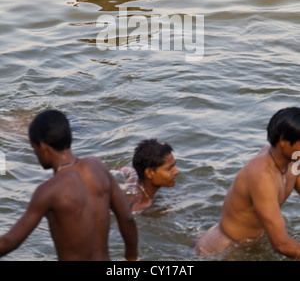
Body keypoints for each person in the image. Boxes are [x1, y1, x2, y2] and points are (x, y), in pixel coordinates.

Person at [0, 110, 138, 261]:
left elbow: (10, 242)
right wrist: (131, 258)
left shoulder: (49, 190)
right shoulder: (98, 167)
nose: (36, 154)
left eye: (34, 148)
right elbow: (127, 218)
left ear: (43, 147)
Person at [195, 107, 300, 260]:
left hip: (252, 245)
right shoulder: (262, 176)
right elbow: (281, 244)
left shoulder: (293, 160)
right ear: (283, 141)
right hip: (223, 252)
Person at [119, 139, 179, 212]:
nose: (176, 171)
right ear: (149, 173)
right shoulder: (141, 205)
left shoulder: (134, 176)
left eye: (174, 166)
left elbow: (125, 169)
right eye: (169, 168)